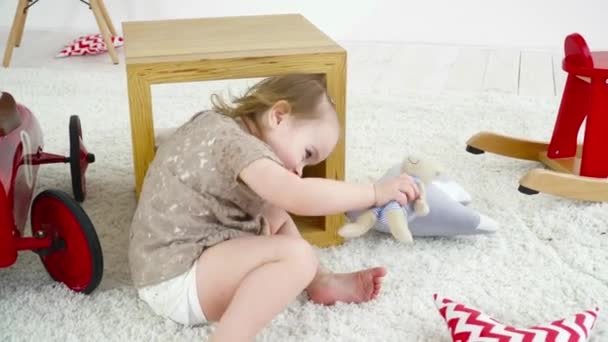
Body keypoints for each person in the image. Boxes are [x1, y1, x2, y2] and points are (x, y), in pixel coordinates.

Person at [129, 74, 420, 342]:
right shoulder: (238, 147)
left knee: (274, 211)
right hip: (177, 281)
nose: (300, 169)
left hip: (171, 266)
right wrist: (373, 192)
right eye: (307, 154)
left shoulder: (218, 127)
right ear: (278, 116)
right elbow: (297, 195)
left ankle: (319, 280)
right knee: (297, 256)